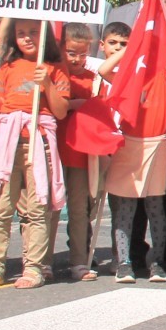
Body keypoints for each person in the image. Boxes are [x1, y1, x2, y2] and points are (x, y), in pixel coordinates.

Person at [0, 19, 69, 289]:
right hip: (8, 146)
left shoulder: (56, 69)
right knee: (1, 208)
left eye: (33, 33)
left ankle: (34, 267)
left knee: (37, 209)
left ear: (45, 37)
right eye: (21, 34)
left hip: (39, 143)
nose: (27, 38)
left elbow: (61, 111)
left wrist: (47, 83)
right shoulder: (8, 68)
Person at [100, 22, 166, 285]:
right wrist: (129, 51)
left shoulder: (163, 75)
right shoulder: (127, 77)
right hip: (129, 144)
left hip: (156, 145)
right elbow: (104, 69)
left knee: (155, 208)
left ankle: (158, 263)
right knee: (125, 209)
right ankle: (124, 263)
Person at [57, 22, 108, 282]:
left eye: (82, 53)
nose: (77, 59)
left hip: (80, 152)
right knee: (45, 208)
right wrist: (74, 104)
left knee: (80, 208)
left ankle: (79, 259)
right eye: (71, 52)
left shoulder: (92, 80)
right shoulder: (52, 74)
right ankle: (39, 260)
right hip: (53, 149)